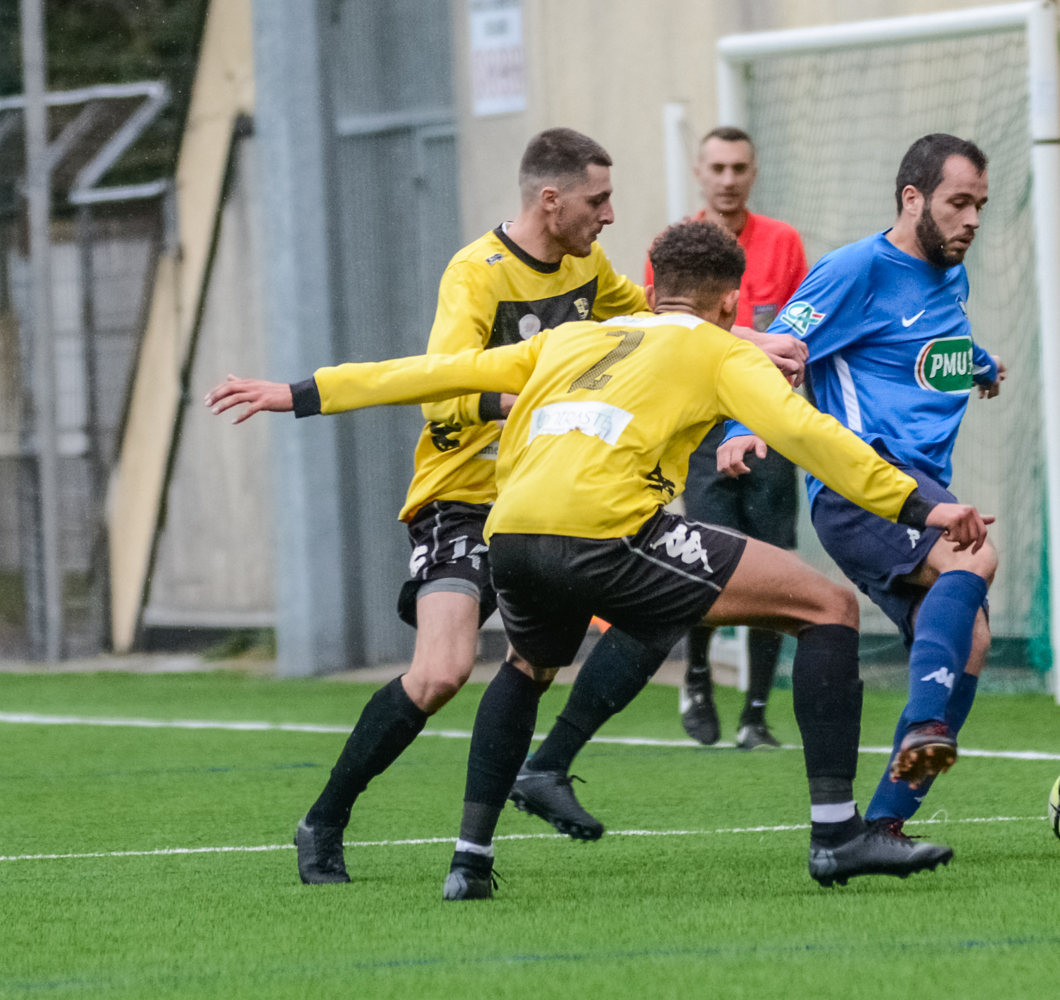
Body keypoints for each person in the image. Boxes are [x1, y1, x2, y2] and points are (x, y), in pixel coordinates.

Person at [207, 220, 992, 899]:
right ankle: (837, 835)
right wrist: (920, 507)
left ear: (649, 292)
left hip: (512, 534)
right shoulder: (723, 353)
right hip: (605, 533)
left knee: (532, 664)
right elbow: (811, 435)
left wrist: (300, 392)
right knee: (827, 606)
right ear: (731, 306)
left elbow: (429, 371)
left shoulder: (570, 340)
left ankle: (472, 858)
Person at [282, 127, 806, 886]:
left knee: (637, 616)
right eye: (599, 200)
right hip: (466, 494)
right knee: (441, 673)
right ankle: (325, 819)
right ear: (552, 200)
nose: (611, 215)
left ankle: (522, 796)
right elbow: (443, 392)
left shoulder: (589, 265)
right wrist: (545, 395)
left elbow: (665, 327)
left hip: (558, 496)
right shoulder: (475, 274)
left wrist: (748, 342)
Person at [720, 134, 1006, 835]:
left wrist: (981, 362)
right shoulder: (855, 270)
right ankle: (927, 722)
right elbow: (776, 351)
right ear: (913, 199)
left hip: (915, 485)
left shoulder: (950, 274)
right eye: (958, 202)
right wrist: (740, 428)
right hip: (863, 480)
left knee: (970, 639)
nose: (972, 219)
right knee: (972, 554)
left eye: (980, 205)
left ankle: (882, 827)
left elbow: (928, 339)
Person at [642, 126, 809, 751]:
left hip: (767, 424)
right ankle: (698, 674)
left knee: (774, 563)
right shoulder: (672, 247)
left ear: (754, 172)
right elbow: (656, 337)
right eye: (718, 167)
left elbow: (799, 331)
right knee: (707, 557)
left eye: (739, 166)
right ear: (699, 173)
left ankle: (756, 714)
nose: (729, 178)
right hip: (701, 429)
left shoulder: (783, 242)